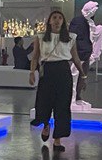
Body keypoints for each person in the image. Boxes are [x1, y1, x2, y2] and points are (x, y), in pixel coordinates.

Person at [29, 9, 82, 152]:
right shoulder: (41, 37)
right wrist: (32, 72)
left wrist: (83, 76)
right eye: (54, 17)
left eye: (60, 18)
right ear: (50, 21)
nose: (57, 20)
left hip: (63, 71)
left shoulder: (70, 37)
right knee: (44, 101)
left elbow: (75, 58)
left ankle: (58, 139)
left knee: (63, 105)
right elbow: (35, 56)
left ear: (63, 21)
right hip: (47, 71)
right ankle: (45, 124)